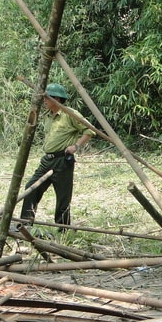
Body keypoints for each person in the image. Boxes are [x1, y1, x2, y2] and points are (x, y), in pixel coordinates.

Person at [20, 83, 95, 229]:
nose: (45, 101)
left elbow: (89, 131)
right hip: (47, 160)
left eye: (47, 98)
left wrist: (76, 146)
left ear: (57, 99)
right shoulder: (47, 116)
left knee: (63, 197)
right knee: (31, 187)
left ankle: (63, 229)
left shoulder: (70, 114)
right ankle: (25, 224)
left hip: (63, 161)